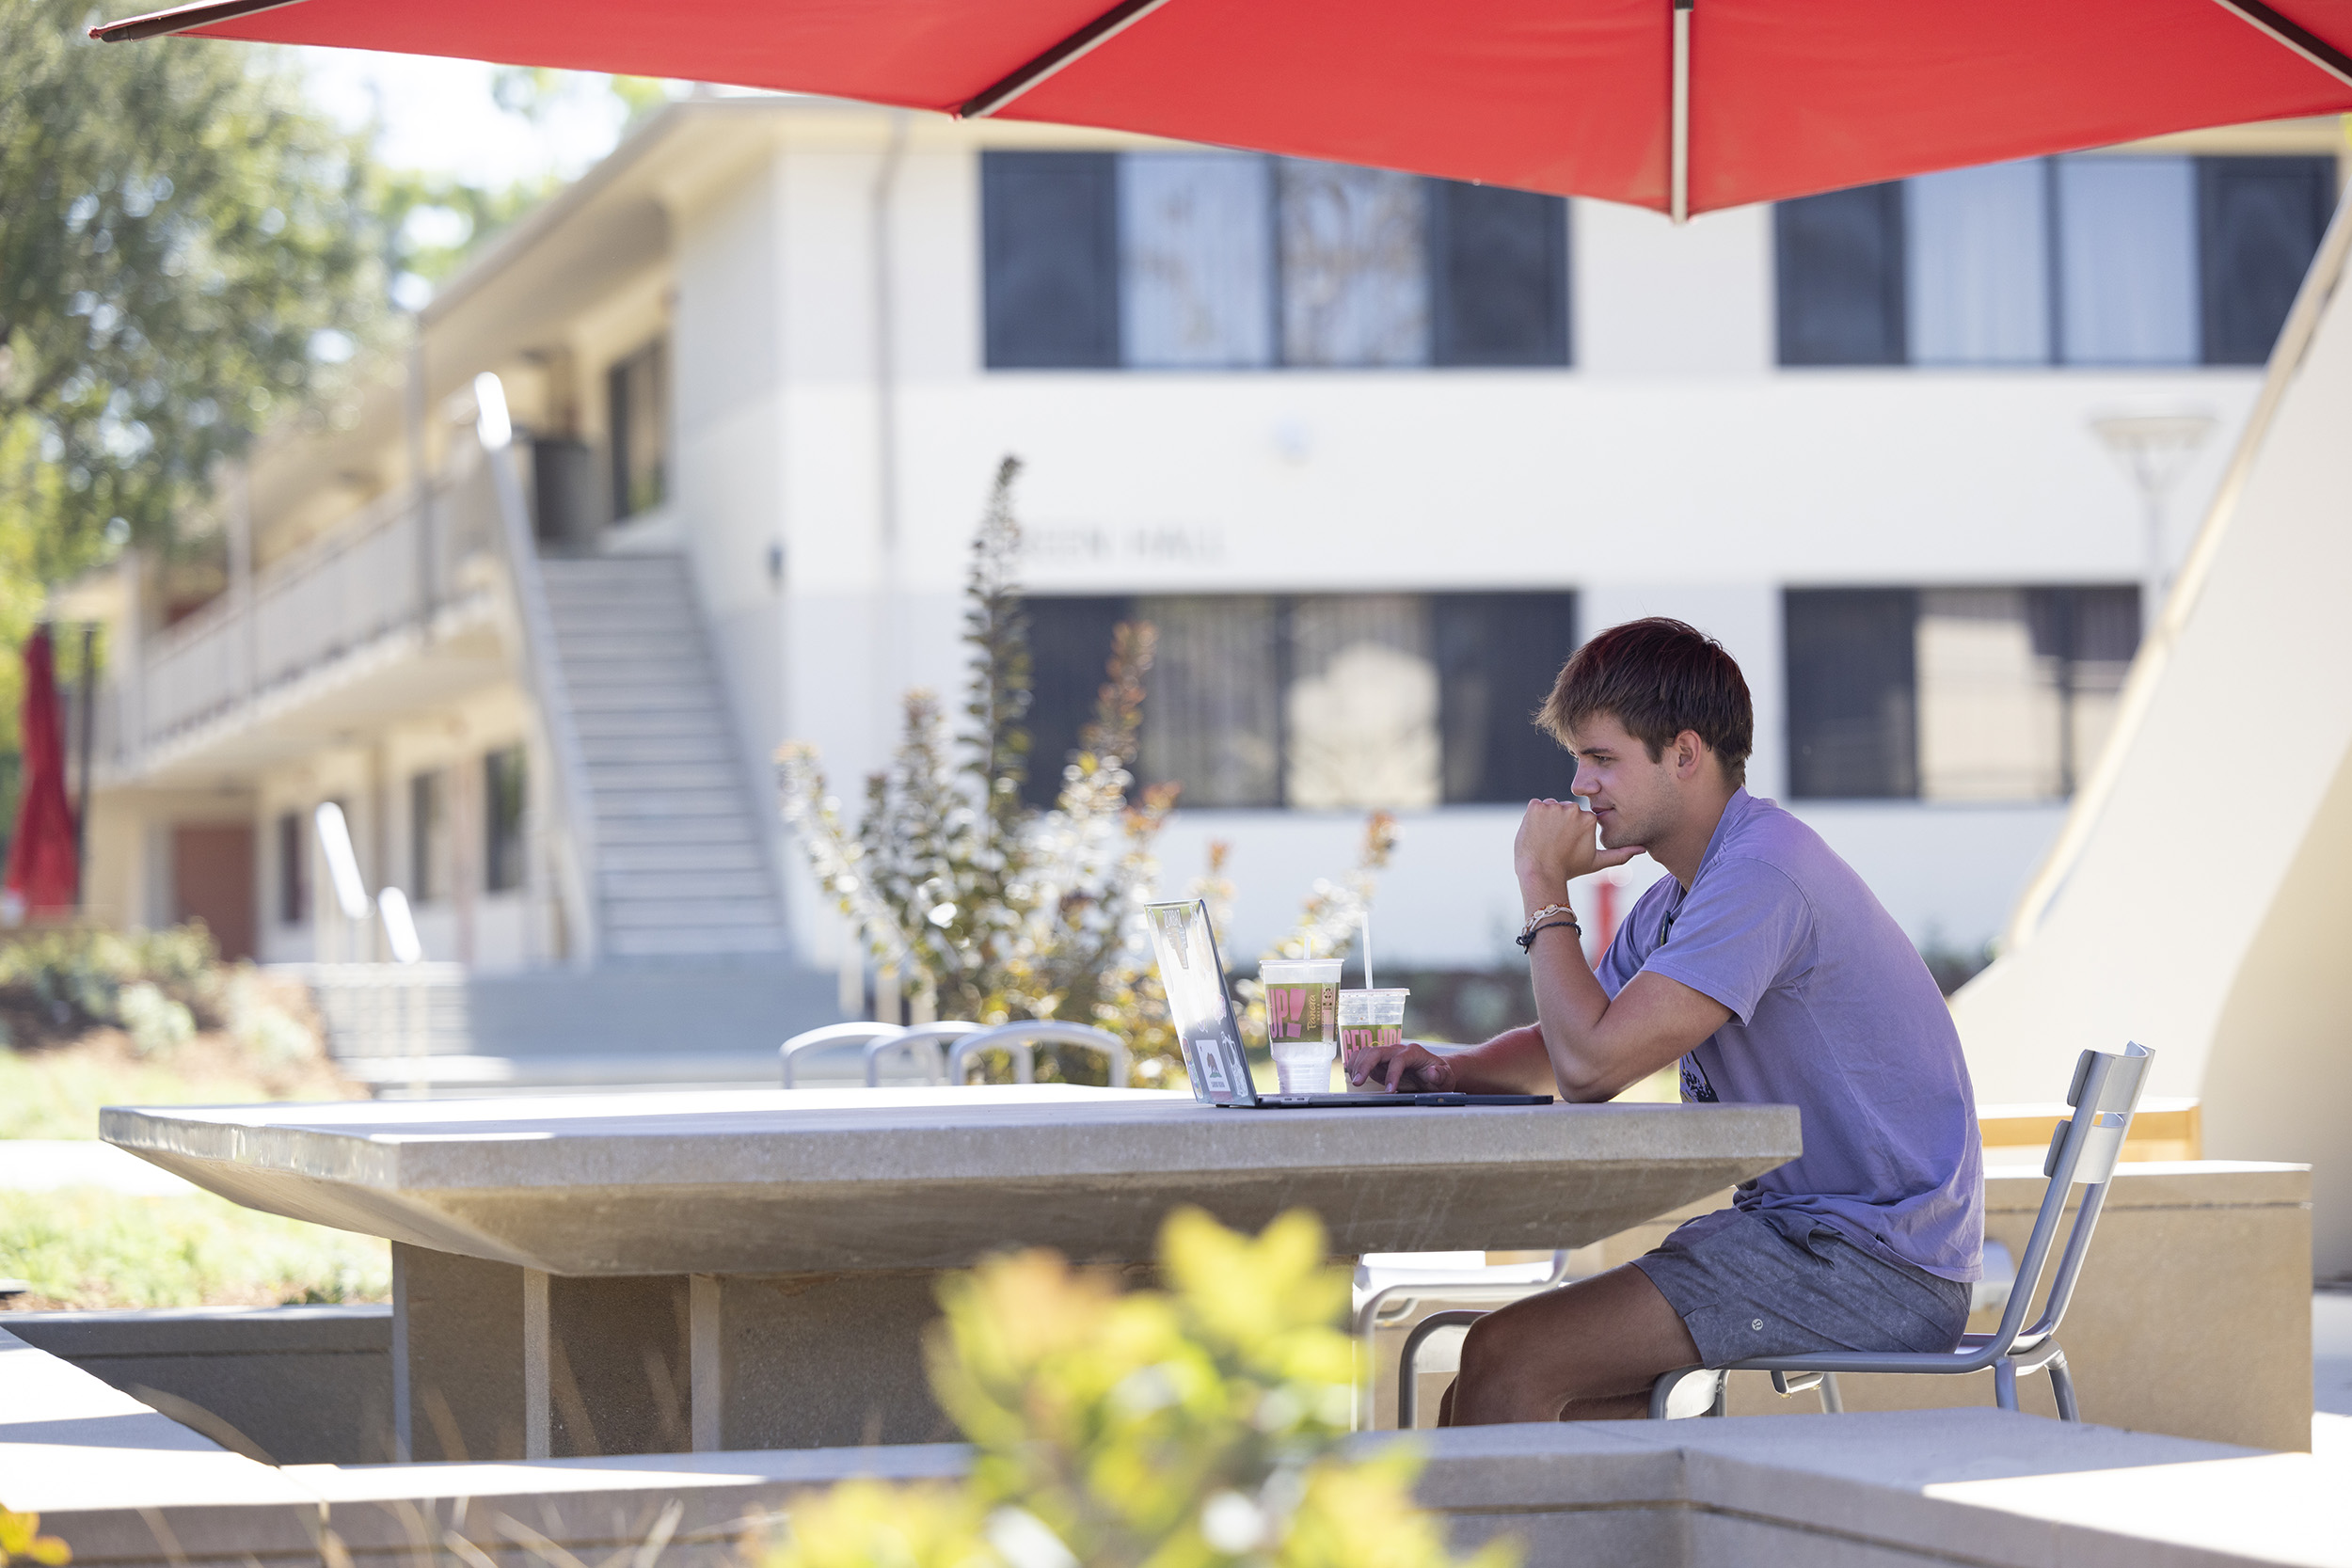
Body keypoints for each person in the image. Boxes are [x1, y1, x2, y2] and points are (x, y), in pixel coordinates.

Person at [1343, 617, 1982, 1423]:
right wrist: (1443, 1066)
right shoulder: (1687, 893)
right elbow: (1564, 1043)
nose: (1579, 785)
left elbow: (1593, 1070)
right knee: (1502, 1387)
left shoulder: (1761, 877)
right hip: (1803, 1242)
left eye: (1603, 758)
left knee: (1506, 1354)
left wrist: (1544, 882)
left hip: (1871, 1266)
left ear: (1685, 754)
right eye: (1578, 760)